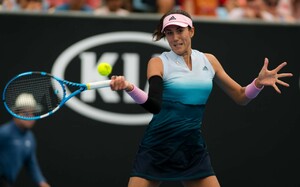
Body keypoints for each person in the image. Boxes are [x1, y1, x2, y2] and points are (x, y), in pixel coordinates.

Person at [109, 9, 293, 187]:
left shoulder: (209, 61)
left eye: (180, 31)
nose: (175, 38)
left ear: (192, 31)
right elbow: (154, 105)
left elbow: (241, 96)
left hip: (192, 147)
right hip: (158, 146)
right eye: (169, 33)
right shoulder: (158, 63)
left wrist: (258, 83)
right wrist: (130, 88)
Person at [0, 93, 50, 187]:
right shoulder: (4, 133)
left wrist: (42, 183)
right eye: (26, 113)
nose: (30, 117)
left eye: (33, 113)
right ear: (15, 114)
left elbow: (31, 164)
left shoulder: (30, 138)